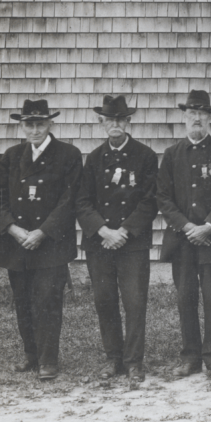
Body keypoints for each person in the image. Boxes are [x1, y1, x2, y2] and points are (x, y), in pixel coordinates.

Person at [0, 98, 83, 381]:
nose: (34, 130)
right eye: (29, 124)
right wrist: (13, 229)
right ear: (22, 126)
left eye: (39, 123)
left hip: (50, 243)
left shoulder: (68, 154)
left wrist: (42, 231)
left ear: (49, 124)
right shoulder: (11, 155)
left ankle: (48, 360)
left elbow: (70, 201)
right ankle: (31, 355)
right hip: (17, 243)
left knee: (47, 301)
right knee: (23, 301)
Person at [76, 95, 158, 382]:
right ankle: (113, 357)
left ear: (128, 122)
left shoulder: (145, 156)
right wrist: (103, 231)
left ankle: (134, 360)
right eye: (109, 120)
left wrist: (123, 231)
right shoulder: (94, 158)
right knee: (105, 300)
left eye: (120, 119)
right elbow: (83, 202)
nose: (115, 124)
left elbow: (149, 201)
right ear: (102, 123)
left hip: (131, 242)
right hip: (100, 243)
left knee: (134, 302)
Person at [157, 89, 211, 377]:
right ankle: (190, 356)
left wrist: (208, 226)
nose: (197, 119)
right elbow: (163, 197)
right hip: (183, 240)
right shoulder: (172, 154)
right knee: (186, 296)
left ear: (210, 118)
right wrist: (188, 226)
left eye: (202, 113)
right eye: (192, 113)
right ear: (184, 117)